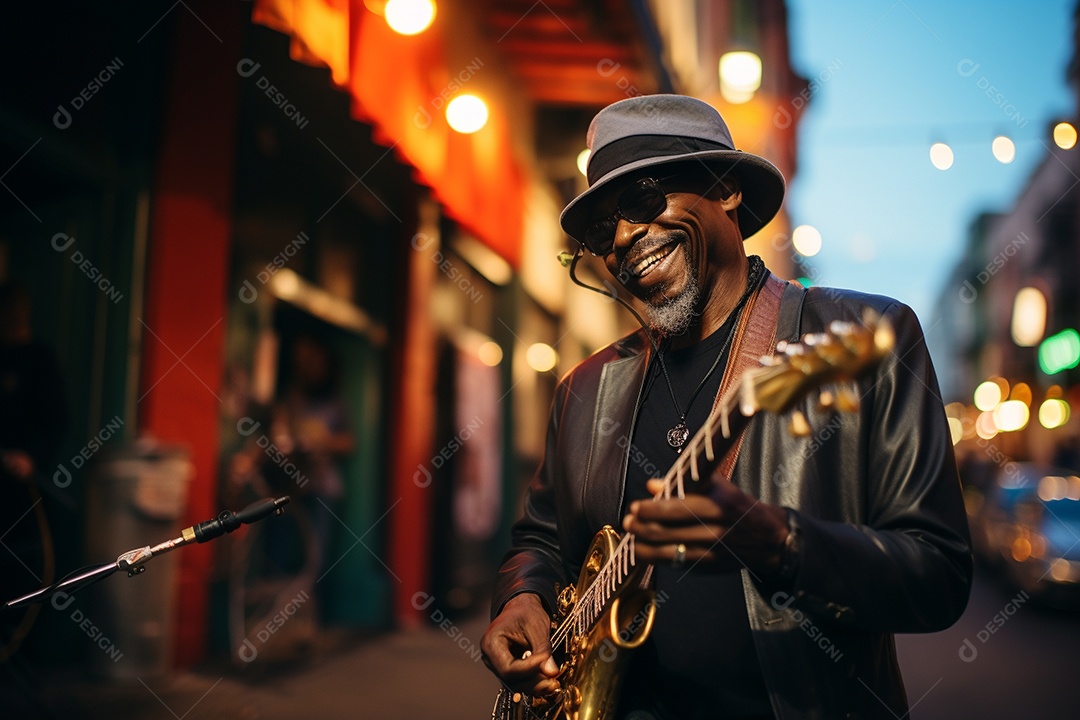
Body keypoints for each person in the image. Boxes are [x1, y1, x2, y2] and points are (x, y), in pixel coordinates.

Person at [479, 95, 972, 720]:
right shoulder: (584, 388)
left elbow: (939, 575)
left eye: (642, 199)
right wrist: (523, 595)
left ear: (727, 190)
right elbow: (542, 540)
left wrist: (780, 546)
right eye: (603, 228)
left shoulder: (870, 333)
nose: (625, 236)